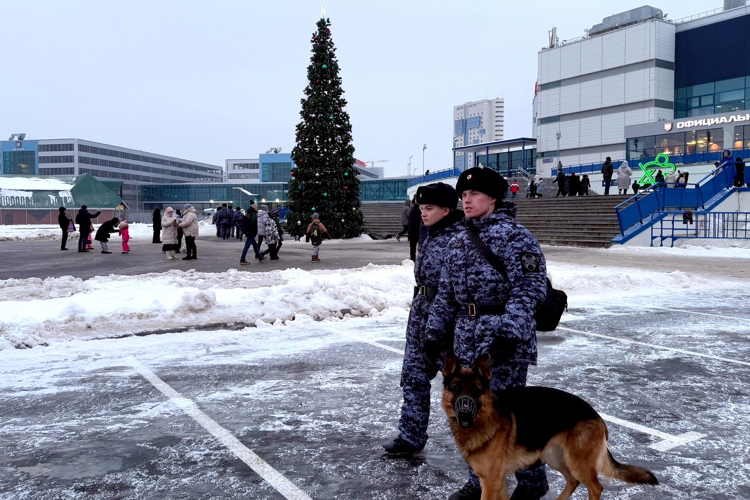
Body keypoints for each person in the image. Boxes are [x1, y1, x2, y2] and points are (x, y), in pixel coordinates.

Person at [422, 166, 549, 500]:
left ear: (493, 198)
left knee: (508, 418)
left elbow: (529, 289)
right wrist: (433, 335)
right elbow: (446, 296)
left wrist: (509, 334)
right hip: (465, 339)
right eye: (463, 195)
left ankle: (533, 481)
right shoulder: (457, 241)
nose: (467, 201)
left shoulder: (516, 237)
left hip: (502, 342)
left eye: (474, 194)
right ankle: (478, 478)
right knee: (469, 414)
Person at [384, 182, 464, 456]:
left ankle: (478, 447)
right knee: (413, 377)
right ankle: (411, 436)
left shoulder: (460, 238)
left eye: (429, 208)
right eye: (421, 208)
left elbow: (454, 289)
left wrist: (439, 325)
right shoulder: (431, 233)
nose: (423, 213)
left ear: (446, 209)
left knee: (460, 386)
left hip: (447, 320)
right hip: (421, 312)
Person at [407, 196, 421, 261]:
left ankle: (419, 257)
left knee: (420, 246)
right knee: (412, 246)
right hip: (413, 231)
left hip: (419, 231)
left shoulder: (421, 209)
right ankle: (413, 258)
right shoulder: (413, 209)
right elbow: (410, 221)